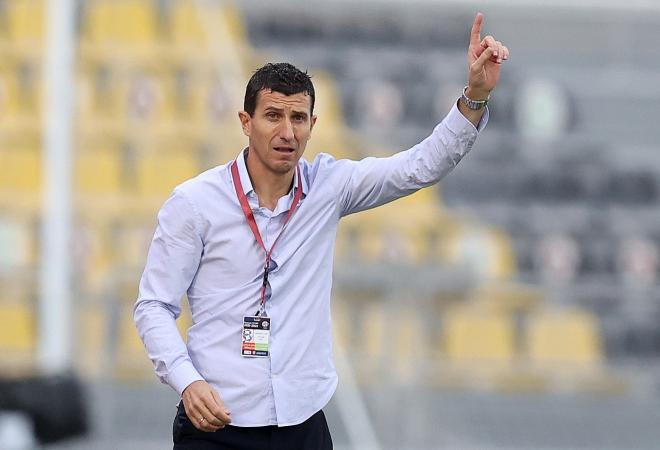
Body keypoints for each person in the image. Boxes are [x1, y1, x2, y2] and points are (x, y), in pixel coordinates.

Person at [134, 12, 508, 450]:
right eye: (273, 115)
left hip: (303, 423)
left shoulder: (328, 187)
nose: (286, 132)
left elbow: (419, 167)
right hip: (218, 426)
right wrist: (187, 381)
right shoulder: (195, 203)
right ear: (245, 121)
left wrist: (475, 97)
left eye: (298, 118)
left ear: (314, 125)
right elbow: (154, 307)